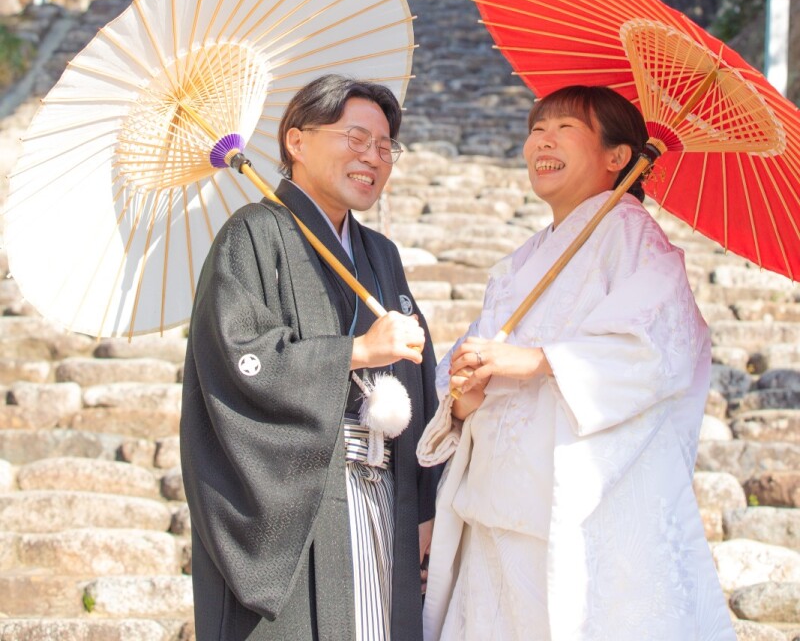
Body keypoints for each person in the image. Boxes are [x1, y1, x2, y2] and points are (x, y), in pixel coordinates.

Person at [417, 84, 735, 641]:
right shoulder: (525, 258)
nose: (543, 141)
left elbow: (657, 347)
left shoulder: (631, 234)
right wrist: (464, 396)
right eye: (537, 129)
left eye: (565, 129)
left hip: (568, 514)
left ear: (617, 157)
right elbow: (471, 363)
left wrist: (538, 360)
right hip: (495, 505)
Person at [181, 74, 439, 641]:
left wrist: (424, 506)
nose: (373, 157)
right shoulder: (251, 235)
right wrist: (357, 351)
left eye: (385, 146)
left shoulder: (380, 255)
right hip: (301, 504)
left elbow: (421, 386)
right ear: (296, 142)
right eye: (356, 138)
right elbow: (238, 361)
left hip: (385, 499)